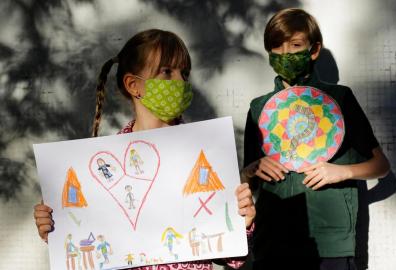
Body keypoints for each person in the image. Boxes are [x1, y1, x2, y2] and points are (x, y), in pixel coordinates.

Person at [33, 29, 255, 270]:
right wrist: (55, 228)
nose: (180, 81)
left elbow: (231, 258)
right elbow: (87, 252)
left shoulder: (204, 158)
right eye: (167, 72)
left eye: (185, 73)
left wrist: (243, 223)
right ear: (133, 85)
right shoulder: (100, 170)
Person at [241, 9, 390, 270]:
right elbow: (246, 183)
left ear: (313, 50)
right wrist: (252, 170)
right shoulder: (259, 108)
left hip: (332, 242)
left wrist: (341, 172)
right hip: (273, 241)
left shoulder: (340, 99)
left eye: (295, 45)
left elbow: (381, 166)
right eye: (277, 47)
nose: (285, 54)